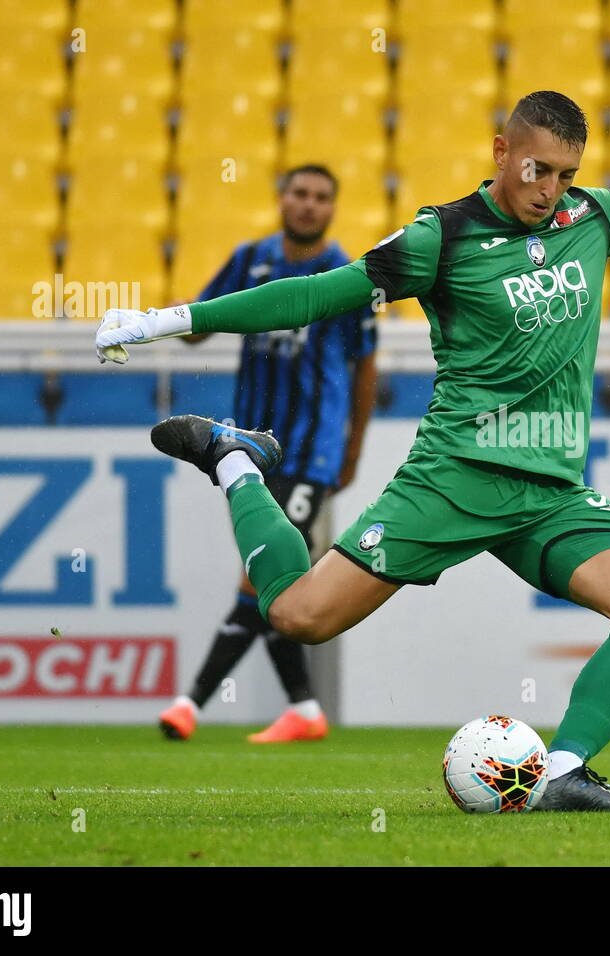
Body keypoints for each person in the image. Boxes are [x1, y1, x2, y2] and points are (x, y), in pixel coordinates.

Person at [97, 92, 610, 810]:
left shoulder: (593, 219)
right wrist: (170, 319)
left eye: (568, 172)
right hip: (454, 479)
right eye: (538, 168)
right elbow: (318, 294)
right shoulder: (444, 236)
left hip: (550, 491)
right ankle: (233, 460)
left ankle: (565, 769)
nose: (551, 188)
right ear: (502, 150)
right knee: (299, 616)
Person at [156, 164, 378, 744]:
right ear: (281, 198)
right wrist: (166, 319)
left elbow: (364, 367)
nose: (309, 205)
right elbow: (202, 327)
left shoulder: (347, 276)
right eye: (300, 194)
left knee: (263, 579)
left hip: (310, 453)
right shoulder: (248, 259)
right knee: (273, 580)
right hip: (245, 445)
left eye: (321, 197)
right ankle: (304, 708)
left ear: (333, 208)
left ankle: (189, 704)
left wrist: (351, 452)